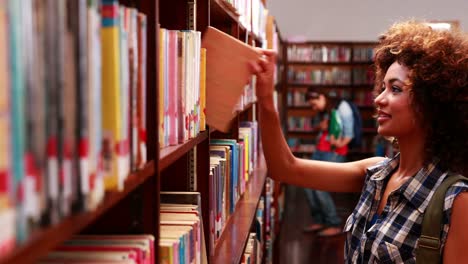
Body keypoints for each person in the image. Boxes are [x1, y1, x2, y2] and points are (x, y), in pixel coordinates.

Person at [249, 20, 468, 263]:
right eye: (382, 87)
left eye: (395, 89)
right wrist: (265, 99)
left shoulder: (456, 200)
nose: (378, 99)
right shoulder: (377, 173)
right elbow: (284, 169)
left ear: (432, 103)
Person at [302, 89, 355, 236]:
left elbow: (349, 134)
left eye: (314, 104)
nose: (314, 108)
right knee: (307, 183)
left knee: (320, 187)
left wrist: (338, 144)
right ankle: (319, 220)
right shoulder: (326, 109)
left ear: (321, 96)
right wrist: (322, 127)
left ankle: (333, 223)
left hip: (333, 152)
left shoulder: (342, 107)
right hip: (320, 149)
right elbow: (320, 128)